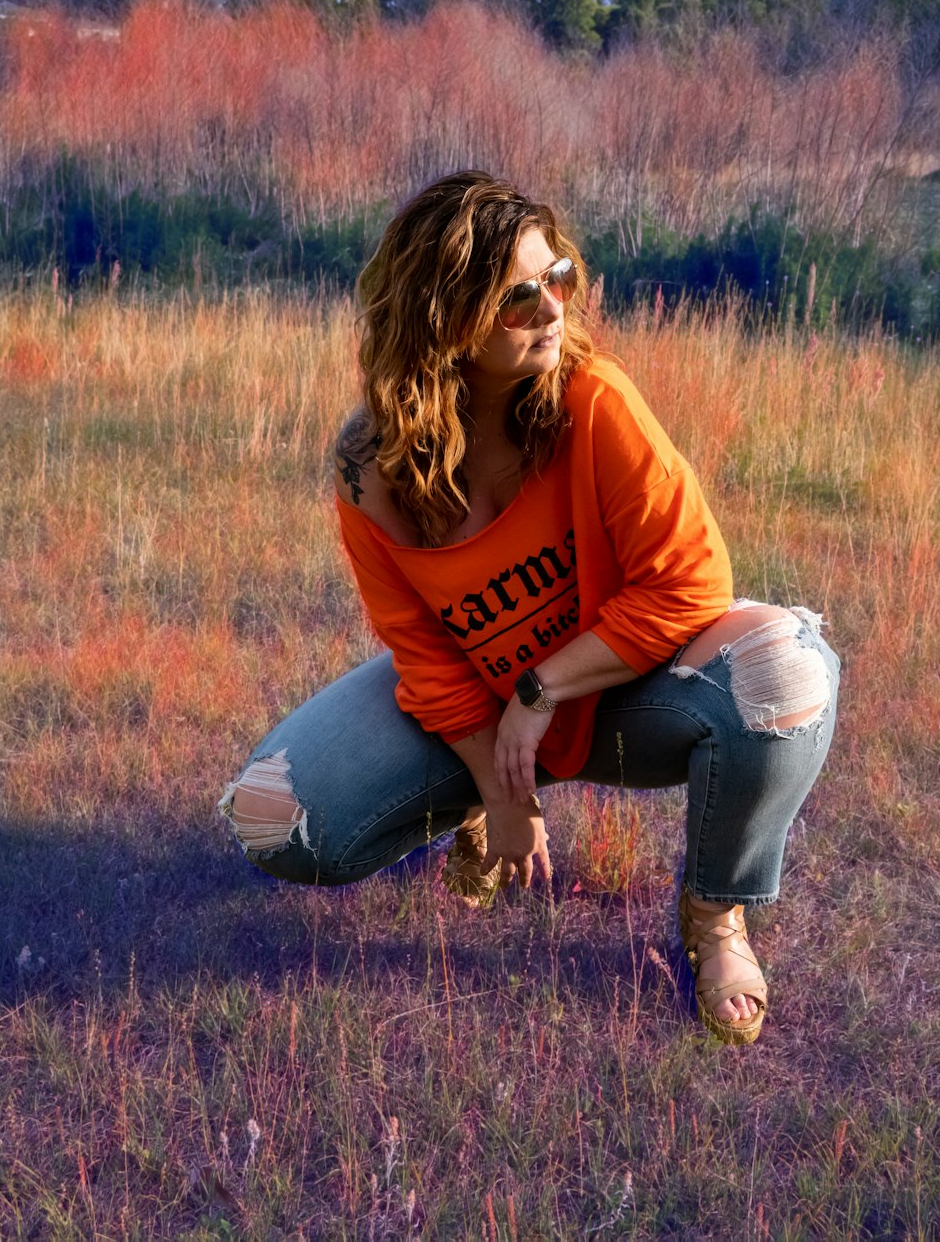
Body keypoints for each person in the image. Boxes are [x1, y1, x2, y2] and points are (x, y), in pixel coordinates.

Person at [219, 170, 840, 1046]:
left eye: (561, 278)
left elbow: (692, 585)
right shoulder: (374, 466)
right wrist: (499, 787)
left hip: (629, 687)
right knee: (271, 819)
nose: (552, 308)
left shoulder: (595, 400)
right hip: (479, 698)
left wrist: (538, 695)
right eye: (518, 296)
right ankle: (468, 813)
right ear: (446, 314)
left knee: (791, 673)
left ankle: (716, 916)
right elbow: (424, 653)